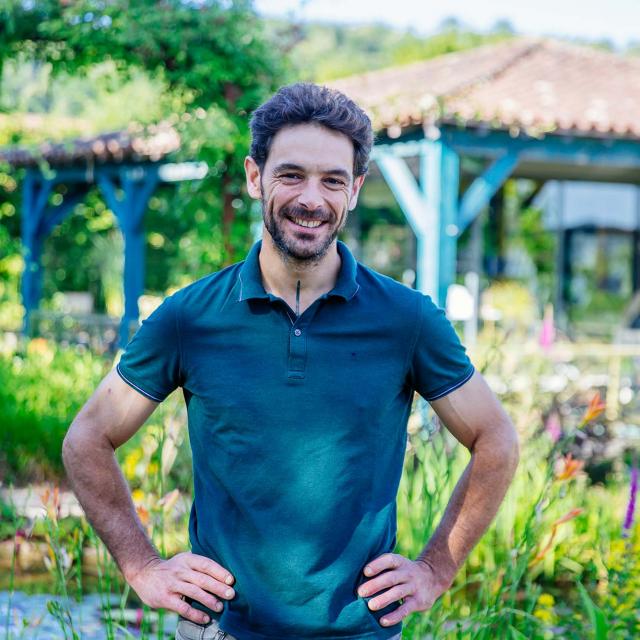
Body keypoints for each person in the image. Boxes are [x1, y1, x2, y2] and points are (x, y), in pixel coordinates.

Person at [62, 82, 519, 640]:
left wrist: (435, 568)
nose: (312, 198)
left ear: (355, 189)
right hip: (221, 631)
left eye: (333, 180)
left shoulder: (408, 320)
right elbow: (87, 437)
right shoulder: (191, 317)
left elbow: (496, 438)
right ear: (256, 177)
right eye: (291, 175)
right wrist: (142, 566)